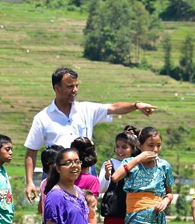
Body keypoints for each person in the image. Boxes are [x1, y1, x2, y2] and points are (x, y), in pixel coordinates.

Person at [24, 67, 158, 203]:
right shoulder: (42, 118)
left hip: (85, 172)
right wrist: (29, 182)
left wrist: (136, 105)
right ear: (57, 88)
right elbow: (31, 152)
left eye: (76, 86)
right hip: (57, 175)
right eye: (70, 86)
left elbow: (113, 108)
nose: (75, 90)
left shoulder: (86, 109)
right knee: (56, 215)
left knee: (87, 216)